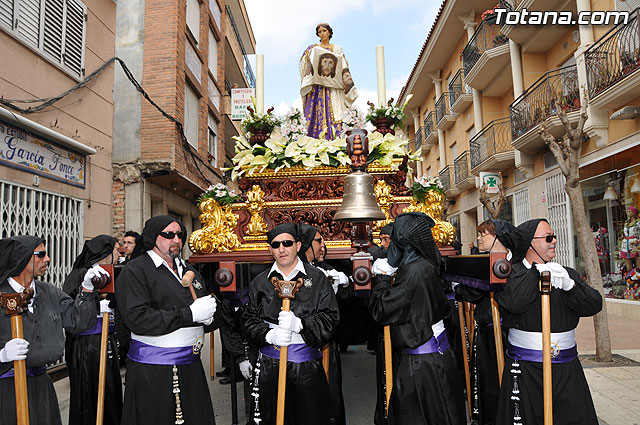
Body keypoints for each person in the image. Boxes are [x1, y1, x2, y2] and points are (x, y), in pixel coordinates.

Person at [495, 218, 602, 425]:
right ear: (530, 242)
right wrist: (537, 272)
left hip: (567, 367)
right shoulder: (512, 273)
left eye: (554, 237)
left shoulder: (565, 273)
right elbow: (513, 303)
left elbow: (594, 304)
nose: (554, 241)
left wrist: (570, 285)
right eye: (548, 237)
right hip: (527, 368)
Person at [115, 215, 219, 425]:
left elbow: (207, 313)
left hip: (191, 367)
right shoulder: (135, 271)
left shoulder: (190, 271)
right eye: (169, 234)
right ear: (154, 237)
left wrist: (211, 317)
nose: (176, 240)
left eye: (180, 235)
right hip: (154, 371)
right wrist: (190, 314)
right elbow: (138, 319)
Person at [369, 212, 466, 424]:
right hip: (431, 357)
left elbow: (381, 310)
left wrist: (383, 279)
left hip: (423, 364)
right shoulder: (421, 265)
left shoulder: (415, 271)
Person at [242, 222, 339, 425]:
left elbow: (331, 318)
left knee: (310, 417)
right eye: (276, 245)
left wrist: (301, 325)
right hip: (270, 366)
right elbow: (247, 319)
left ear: (297, 245)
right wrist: (268, 335)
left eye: (287, 243)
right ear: (270, 249)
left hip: (307, 367)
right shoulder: (260, 282)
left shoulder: (317, 279)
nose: (282, 249)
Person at [0, 235, 99, 425]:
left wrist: (86, 290)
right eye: (41, 254)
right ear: (22, 257)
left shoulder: (49, 292)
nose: (47, 259)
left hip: (42, 386)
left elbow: (78, 321)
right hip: (7, 389)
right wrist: (2, 355)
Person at [455, 220, 515, 425]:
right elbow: (469, 292)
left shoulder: (512, 264)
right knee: (486, 384)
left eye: (484, 234)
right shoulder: (482, 262)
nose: (479, 238)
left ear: (498, 237)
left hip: (506, 334)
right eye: (479, 233)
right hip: (486, 332)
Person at [63, 235, 123, 425]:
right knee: (88, 393)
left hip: (107, 339)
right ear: (104, 252)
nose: (118, 253)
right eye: (115, 250)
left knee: (111, 391)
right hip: (86, 345)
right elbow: (71, 309)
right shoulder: (80, 274)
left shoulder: (113, 272)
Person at [298, 223, 347, 425]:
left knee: (331, 394)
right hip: (304, 349)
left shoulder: (325, 269)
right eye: (319, 241)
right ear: (306, 244)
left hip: (327, 343)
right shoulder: (296, 272)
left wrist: (344, 285)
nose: (323, 246)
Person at [300, 23, 358, 140]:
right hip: (318, 86)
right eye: (320, 31)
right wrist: (308, 55)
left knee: (337, 110)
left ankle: (336, 138)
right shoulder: (312, 48)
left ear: (329, 32)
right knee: (315, 112)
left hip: (333, 87)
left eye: (324, 31)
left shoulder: (336, 48)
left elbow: (343, 64)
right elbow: (304, 64)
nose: (322, 33)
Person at [620, 206, 640, 272]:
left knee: (638, 268)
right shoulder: (626, 223)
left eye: (629, 211)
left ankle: (638, 280)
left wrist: (638, 241)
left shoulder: (638, 223)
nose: (627, 213)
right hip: (626, 246)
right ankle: (630, 281)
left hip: (636, 246)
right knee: (629, 268)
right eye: (627, 211)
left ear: (634, 213)